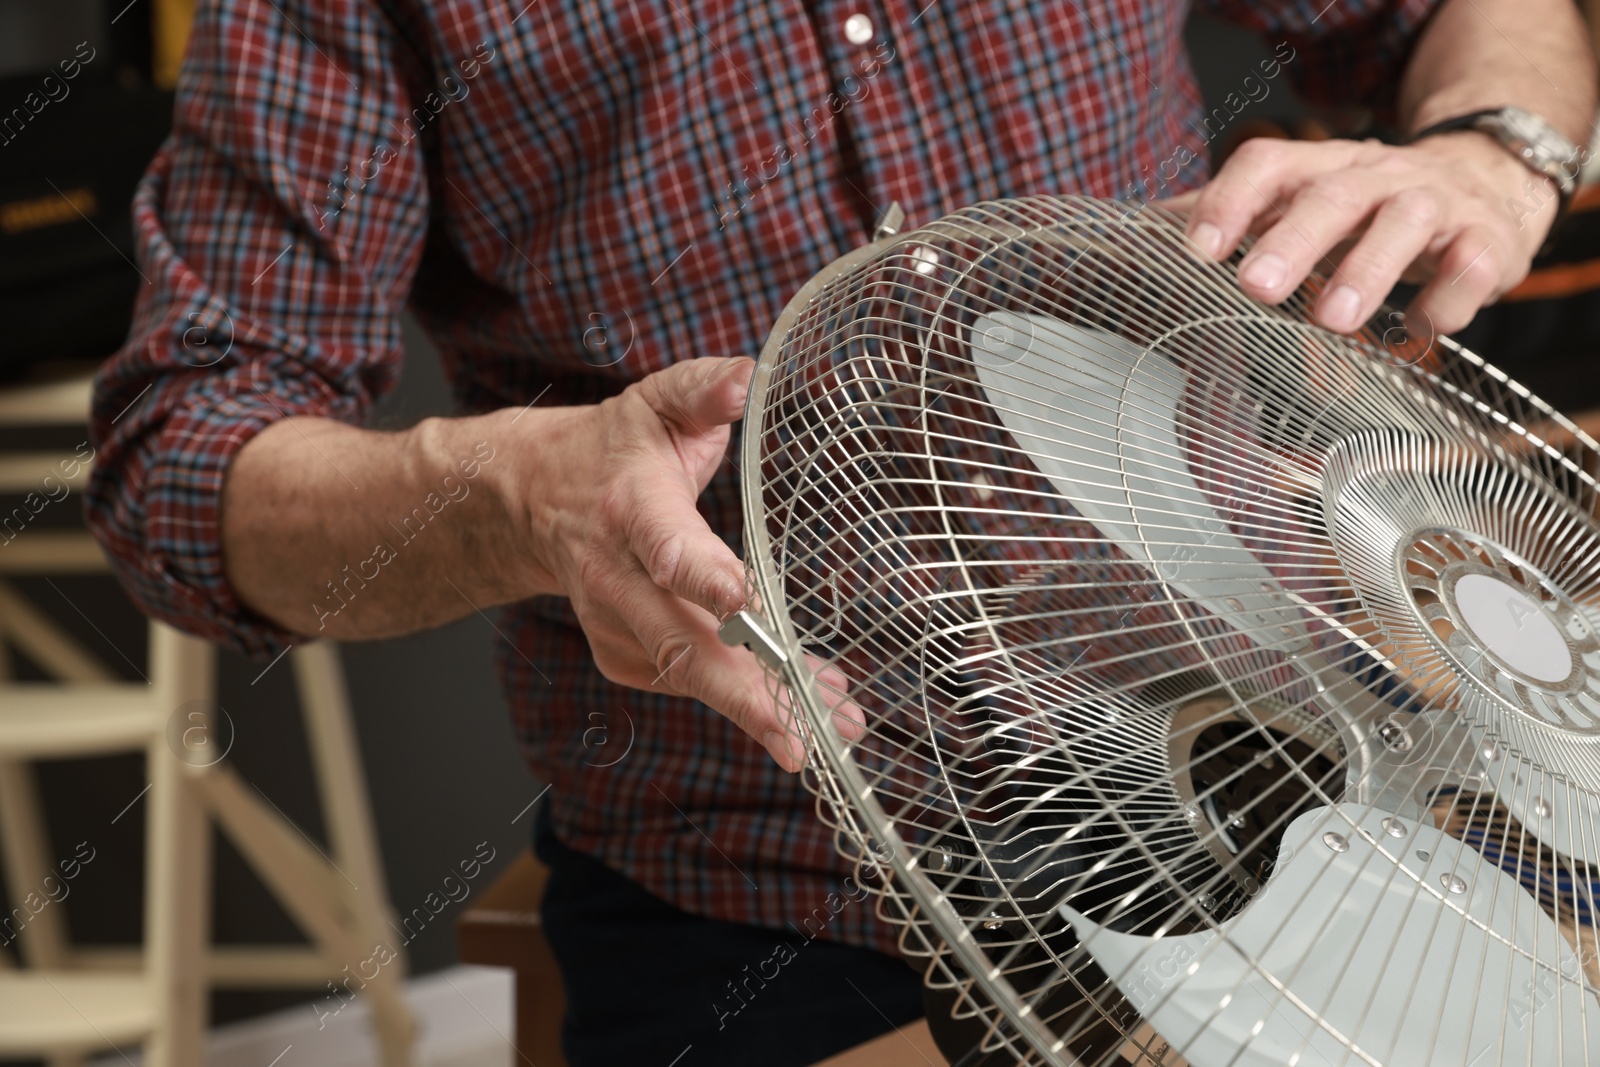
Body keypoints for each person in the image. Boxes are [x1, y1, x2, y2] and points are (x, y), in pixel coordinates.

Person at [86, 0, 1593, 1063]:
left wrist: (1488, 149)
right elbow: (186, 460)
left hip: (1319, 782)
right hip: (775, 887)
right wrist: (525, 495)